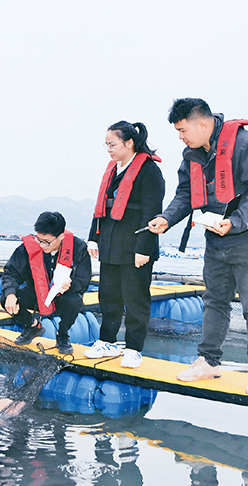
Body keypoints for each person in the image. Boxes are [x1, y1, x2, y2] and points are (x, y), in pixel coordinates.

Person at [147, 98, 248, 395]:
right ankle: (208, 362)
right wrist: (165, 218)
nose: (180, 137)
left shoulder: (247, 145)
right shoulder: (192, 156)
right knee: (214, 300)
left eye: (183, 130)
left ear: (203, 123)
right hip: (217, 233)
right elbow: (185, 194)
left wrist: (235, 222)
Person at [83, 121, 165, 369]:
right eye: (106, 144)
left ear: (129, 143)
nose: (108, 149)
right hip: (110, 243)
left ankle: (133, 348)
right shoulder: (112, 169)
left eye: (112, 144)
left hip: (135, 246)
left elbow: (153, 213)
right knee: (108, 296)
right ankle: (106, 341)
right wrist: (93, 237)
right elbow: (101, 206)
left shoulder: (149, 171)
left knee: (136, 298)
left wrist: (144, 249)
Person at [1, 211, 91, 354]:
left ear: (61, 236)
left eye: (47, 242)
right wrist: (10, 293)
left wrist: (71, 285)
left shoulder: (78, 248)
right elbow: (11, 272)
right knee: (7, 298)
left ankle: (62, 335)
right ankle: (33, 326)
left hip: (63, 296)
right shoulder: (26, 248)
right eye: (39, 239)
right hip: (36, 293)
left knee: (74, 301)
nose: (42, 245)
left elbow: (84, 280)